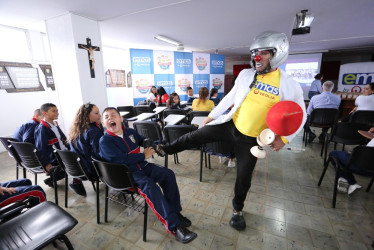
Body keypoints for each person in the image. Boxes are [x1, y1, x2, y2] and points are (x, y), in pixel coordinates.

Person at [157, 31, 307, 231]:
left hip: (253, 140)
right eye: (255, 52)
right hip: (230, 125)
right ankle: (166, 149)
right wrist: (212, 116)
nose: (257, 57)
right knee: (195, 136)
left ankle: (237, 211)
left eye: (264, 53)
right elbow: (229, 98)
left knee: (243, 177)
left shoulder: (289, 84)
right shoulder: (246, 74)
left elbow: (300, 114)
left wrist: (286, 139)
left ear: (277, 54)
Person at [99, 107, 197, 244]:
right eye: (106, 117)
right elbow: (120, 160)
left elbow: (142, 139)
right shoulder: (105, 141)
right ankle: (175, 227)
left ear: (121, 119)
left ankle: (175, 212)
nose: (110, 118)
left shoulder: (130, 132)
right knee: (151, 187)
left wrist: (149, 143)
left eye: (113, 115)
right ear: (103, 123)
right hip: (127, 175)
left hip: (142, 167)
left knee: (168, 174)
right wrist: (143, 155)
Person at [68, 103, 103, 196]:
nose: (100, 115)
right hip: (91, 170)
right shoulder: (93, 131)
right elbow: (100, 153)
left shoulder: (76, 128)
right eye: (96, 113)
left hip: (78, 168)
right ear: (87, 116)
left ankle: (76, 181)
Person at [329, 127, 374, 195]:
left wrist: (354, 154)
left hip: (359, 166)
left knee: (334, 154)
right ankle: (346, 180)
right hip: (371, 172)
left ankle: (349, 180)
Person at [34, 103, 68, 187]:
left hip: (63, 151)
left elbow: (63, 139)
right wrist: (46, 164)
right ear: (45, 113)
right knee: (77, 165)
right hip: (56, 156)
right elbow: (41, 149)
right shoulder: (42, 129)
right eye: (53, 111)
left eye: (57, 110)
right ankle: (52, 178)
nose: (57, 113)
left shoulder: (54, 124)